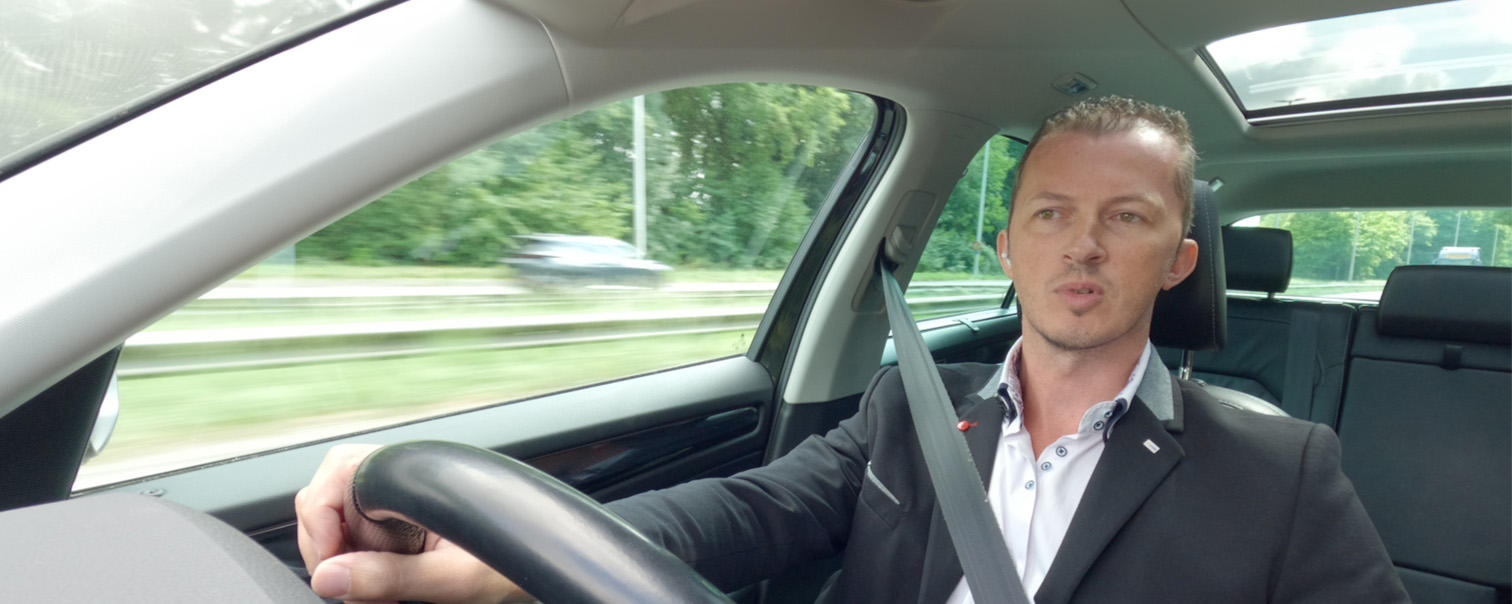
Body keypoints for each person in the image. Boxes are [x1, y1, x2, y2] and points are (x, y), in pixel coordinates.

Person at [295, 96, 1409, 604]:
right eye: (1051, 214)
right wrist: (510, 546)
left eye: (1127, 218)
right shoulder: (908, 410)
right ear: (1008, 246)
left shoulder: (1282, 471)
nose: (1082, 244)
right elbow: (740, 510)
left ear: (1179, 261)